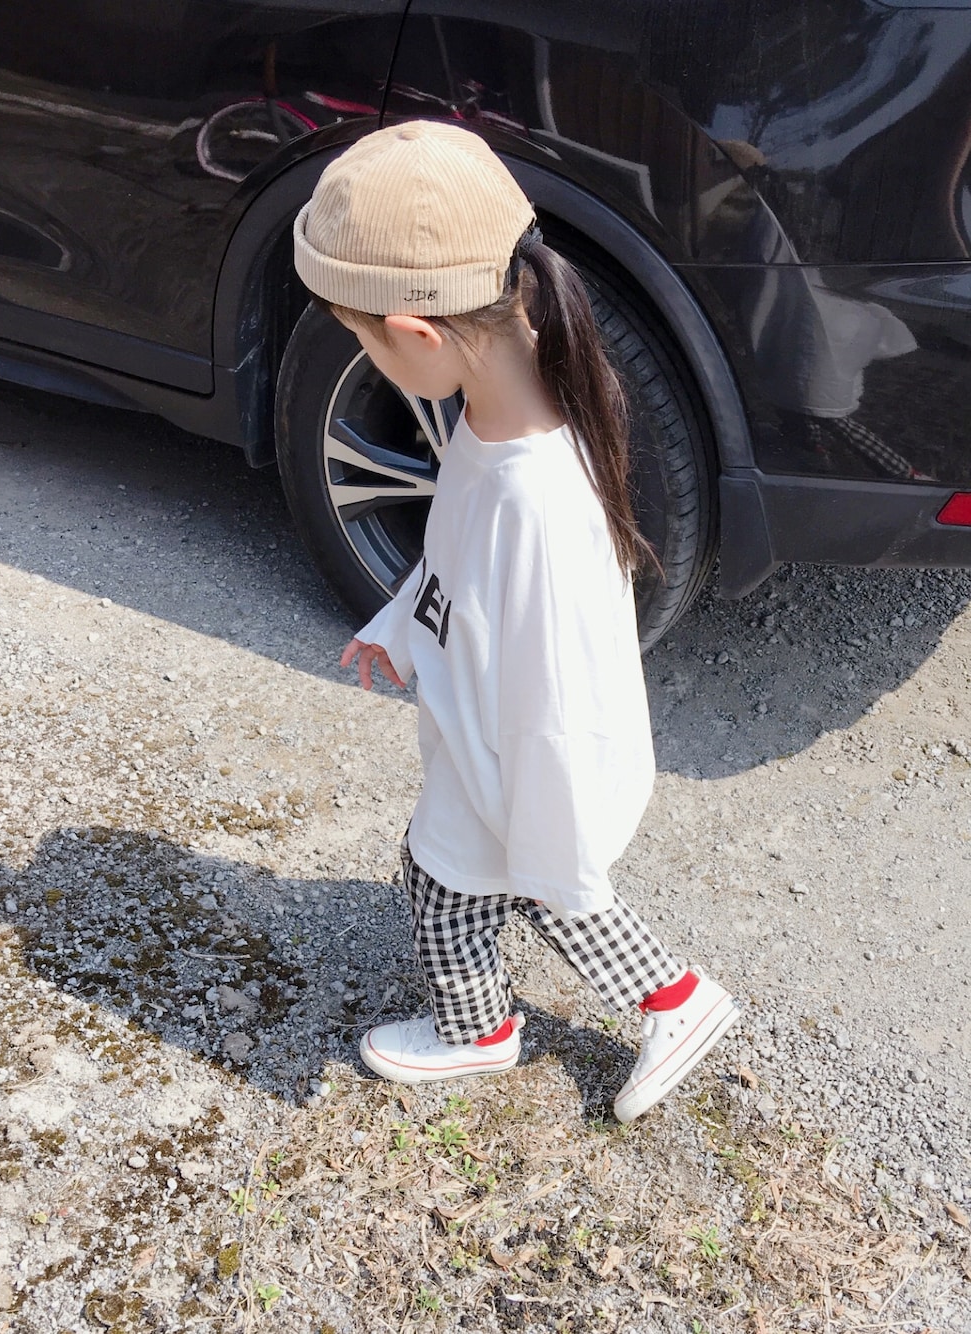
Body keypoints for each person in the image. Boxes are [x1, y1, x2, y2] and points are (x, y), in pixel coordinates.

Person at [292, 121, 739, 1121]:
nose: (365, 356)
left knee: (455, 883)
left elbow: (553, 695)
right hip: (498, 748)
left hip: (520, 766)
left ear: (417, 334)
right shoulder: (515, 400)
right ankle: (667, 999)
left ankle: (484, 1031)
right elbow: (456, 556)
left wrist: (545, 829)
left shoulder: (533, 496)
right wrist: (401, 622)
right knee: (524, 890)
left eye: (360, 338)